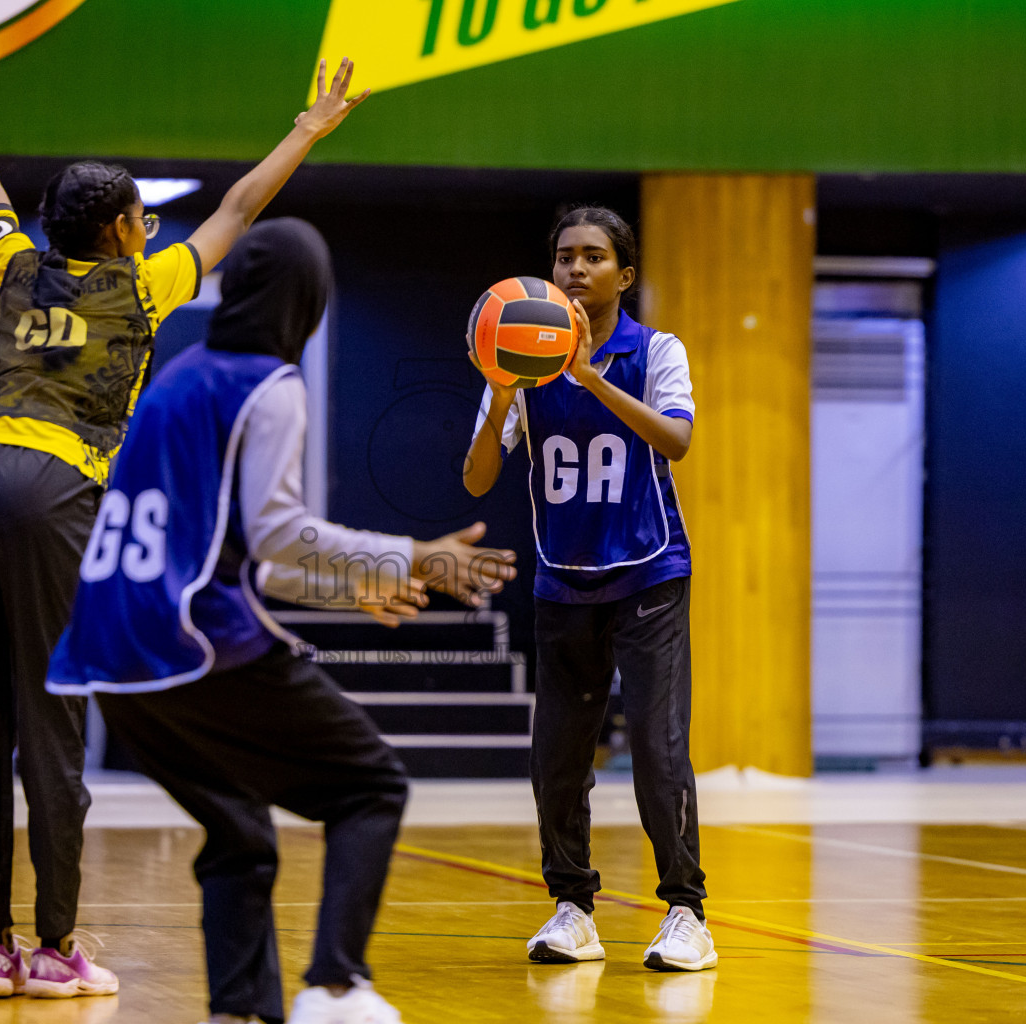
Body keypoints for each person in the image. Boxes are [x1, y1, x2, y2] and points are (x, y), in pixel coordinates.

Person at [0, 3, 369, 998]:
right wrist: (307, 129)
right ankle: (60, 947)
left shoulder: (12, 266)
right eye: (138, 217)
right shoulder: (142, 285)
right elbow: (239, 209)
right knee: (52, 719)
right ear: (120, 227)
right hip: (48, 483)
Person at [46, 218, 518, 1024]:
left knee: (239, 831)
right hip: (187, 641)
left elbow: (233, 549)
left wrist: (350, 588)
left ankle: (241, 1010)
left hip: (106, 651)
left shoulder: (178, 376)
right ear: (308, 301)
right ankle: (335, 987)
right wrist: (411, 555)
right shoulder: (269, 385)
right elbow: (280, 536)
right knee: (370, 786)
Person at [462, 206, 716, 972]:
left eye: (594, 256)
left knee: (657, 749)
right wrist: (504, 395)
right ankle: (573, 907)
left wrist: (591, 380)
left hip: (649, 573)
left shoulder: (656, 350)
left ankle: (686, 914)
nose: (576, 268)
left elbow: (676, 439)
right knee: (558, 760)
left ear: (623, 275)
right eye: (565, 255)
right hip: (563, 579)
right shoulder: (519, 360)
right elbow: (476, 479)